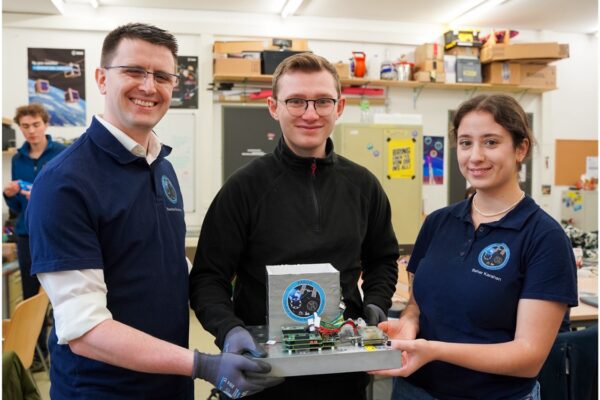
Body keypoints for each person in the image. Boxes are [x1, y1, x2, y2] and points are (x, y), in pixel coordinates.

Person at [26, 23, 280, 400]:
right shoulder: (64, 183)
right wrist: (203, 365)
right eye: (133, 71)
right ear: (100, 78)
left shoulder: (161, 165)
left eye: (162, 76)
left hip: (170, 384)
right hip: (103, 391)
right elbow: (85, 331)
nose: (149, 86)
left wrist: (228, 326)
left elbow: (165, 264)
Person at [189, 53, 400, 399]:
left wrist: (375, 303)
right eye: (296, 101)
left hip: (343, 376)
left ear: (340, 106)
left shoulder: (363, 186)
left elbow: (383, 259)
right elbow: (207, 278)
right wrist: (229, 329)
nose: (310, 113)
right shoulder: (243, 189)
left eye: (322, 101)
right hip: (264, 377)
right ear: (274, 107)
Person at [373, 94, 578, 400]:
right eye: (466, 143)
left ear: (521, 149)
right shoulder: (438, 223)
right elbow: (418, 303)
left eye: (491, 142)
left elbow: (528, 357)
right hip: (412, 390)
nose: (475, 156)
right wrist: (409, 323)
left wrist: (433, 351)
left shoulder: (544, 237)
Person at [4, 104, 66, 300]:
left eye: (36, 124)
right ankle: (35, 333)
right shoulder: (17, 160)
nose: (31, 131)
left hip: (56, 234)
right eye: (25, 126)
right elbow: (17, 208)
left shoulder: (63, 153)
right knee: (31, 296)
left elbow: (72, 197)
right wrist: (9, 194)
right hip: (27, 236)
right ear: (20, 128)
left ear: (46, 125)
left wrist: (44, 198)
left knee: (61, 297)